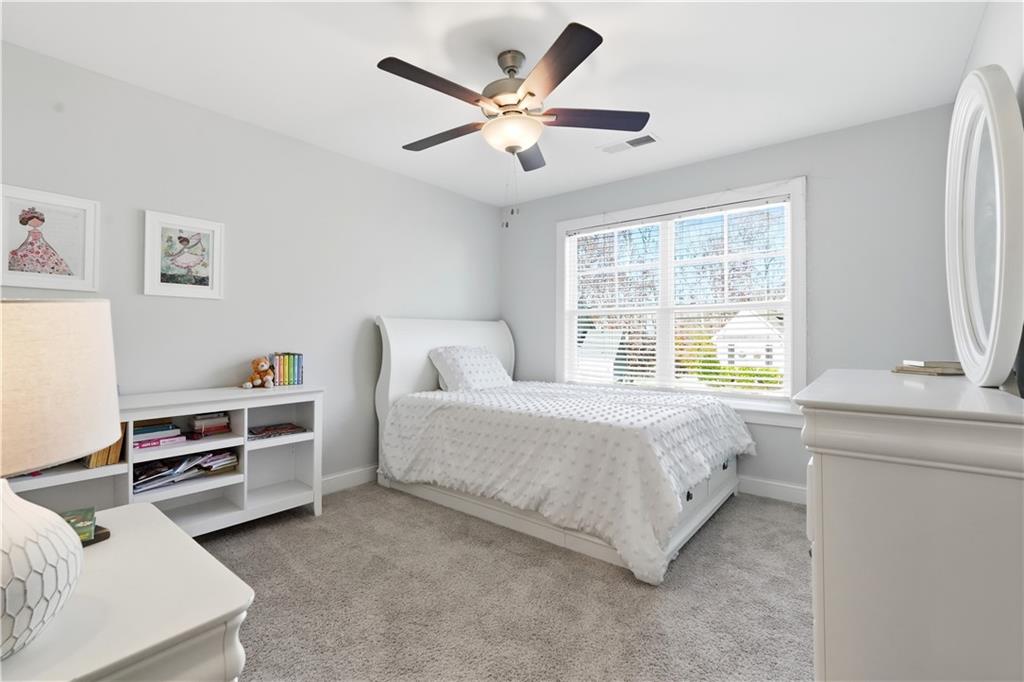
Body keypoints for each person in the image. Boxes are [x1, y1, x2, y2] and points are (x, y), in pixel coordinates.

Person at [8, 207, 73, 276]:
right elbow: (26, 241)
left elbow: (44, 241)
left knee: (48, 260)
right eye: (33, 221)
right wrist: (19, 249)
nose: (36, 223)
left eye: (39, 221)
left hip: (41, 247)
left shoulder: (40, 232)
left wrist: (53, 250)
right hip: (31, 247)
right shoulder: (30, 232)